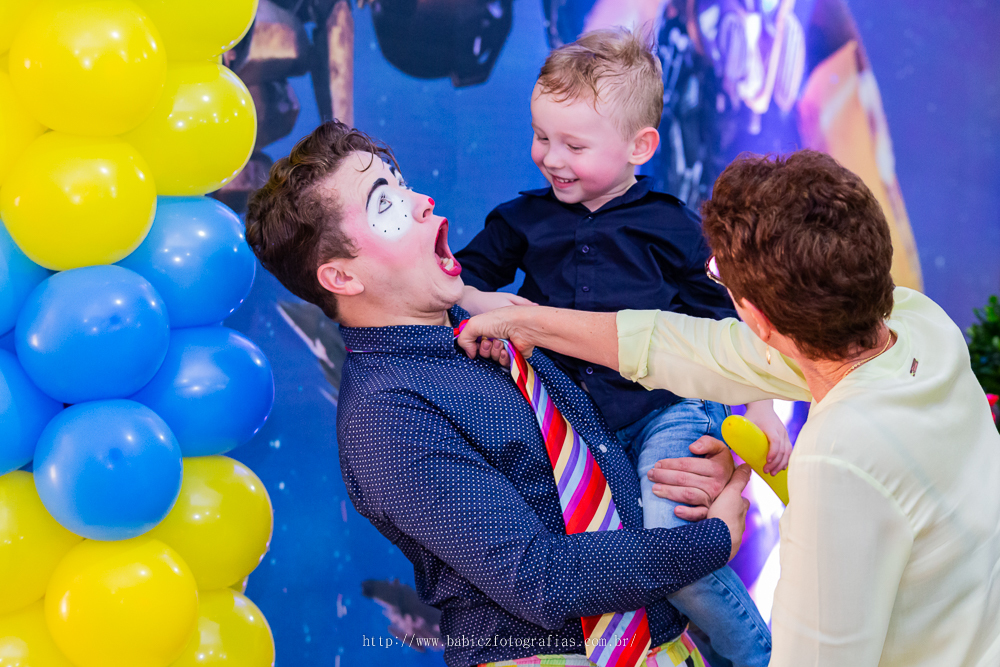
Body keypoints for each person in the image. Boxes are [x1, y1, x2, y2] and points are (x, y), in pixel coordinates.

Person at [456, 149, 1000, 667]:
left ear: (758, 320)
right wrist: (525, 322)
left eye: (721, 280)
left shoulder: (838, 455)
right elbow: (681, 345)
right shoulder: (919, 323)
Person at [243, 120, 753, 667]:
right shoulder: (384, 417)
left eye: (402, 183)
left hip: (663, 646)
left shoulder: (494, 330)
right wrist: (714, 539)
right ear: (342, 278)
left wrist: (687, 465)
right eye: (384, 205)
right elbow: (540, 577)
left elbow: (600, 463)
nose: (419, 202)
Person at [456, 28, 780, 666]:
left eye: (573, 144)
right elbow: (458, 278)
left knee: (669, 546)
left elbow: (736, 326)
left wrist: (761, 408)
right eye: (541, 137)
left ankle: (758, 655)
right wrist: (481, 303)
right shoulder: (522, 220)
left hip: (663, 411)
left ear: (640, 146)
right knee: (584, 557)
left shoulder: (675, 225)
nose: (550, 157)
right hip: (570, 426)